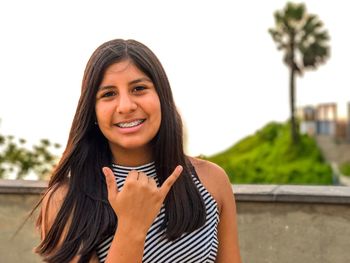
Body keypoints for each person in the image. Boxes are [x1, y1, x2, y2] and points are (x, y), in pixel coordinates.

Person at [35, 39, 242, 263]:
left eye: (139, 89)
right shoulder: (65, 201)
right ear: (92, 111)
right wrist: (132, 225)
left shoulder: (212, 181)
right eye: (108, 94)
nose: (126, 106)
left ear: (162, 97)